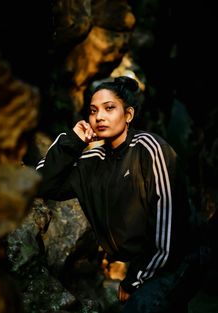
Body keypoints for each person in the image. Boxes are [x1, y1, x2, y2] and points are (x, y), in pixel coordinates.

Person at [35, 76, 201, 313]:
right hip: (149, 258)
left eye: (109, 108)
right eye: (93, 111)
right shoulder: (93, 161)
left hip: (181, 254)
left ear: (129, 115)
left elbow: (169, 225)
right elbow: (42, 184)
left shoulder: (151, 149)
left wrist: (135, 278)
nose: (99, 116)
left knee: (141, 306)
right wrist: (72, 142)